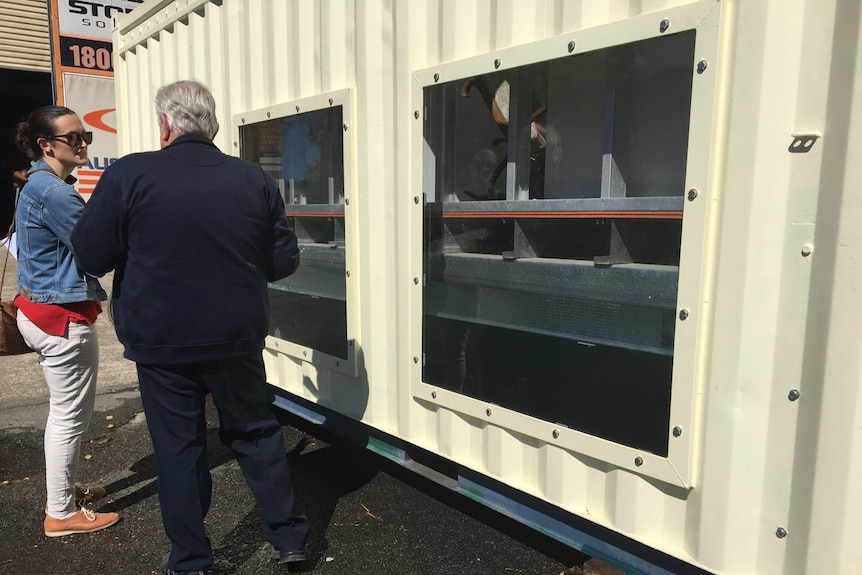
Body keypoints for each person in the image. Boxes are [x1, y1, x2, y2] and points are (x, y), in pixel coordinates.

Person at [71, 80, 308, 575]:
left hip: (161, 340)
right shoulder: (254, 180)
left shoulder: (130, 174)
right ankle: (289, 538)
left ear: (164, 125)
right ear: (214, 125)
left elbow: (91, 255)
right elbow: (283, 259)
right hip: (236, 334)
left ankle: (192, 560)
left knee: (179, 448)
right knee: (257, 431)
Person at [13, 106, 120, 536]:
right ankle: (59, 513)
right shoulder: (55, 192)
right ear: (46, 144)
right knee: (69, 418)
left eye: (86, 136)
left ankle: (62, 493)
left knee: (65, 415)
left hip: (40, 310)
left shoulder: (34, 183)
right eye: (73, 137)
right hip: (62, 320)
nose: (83, 144)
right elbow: (96, 251)